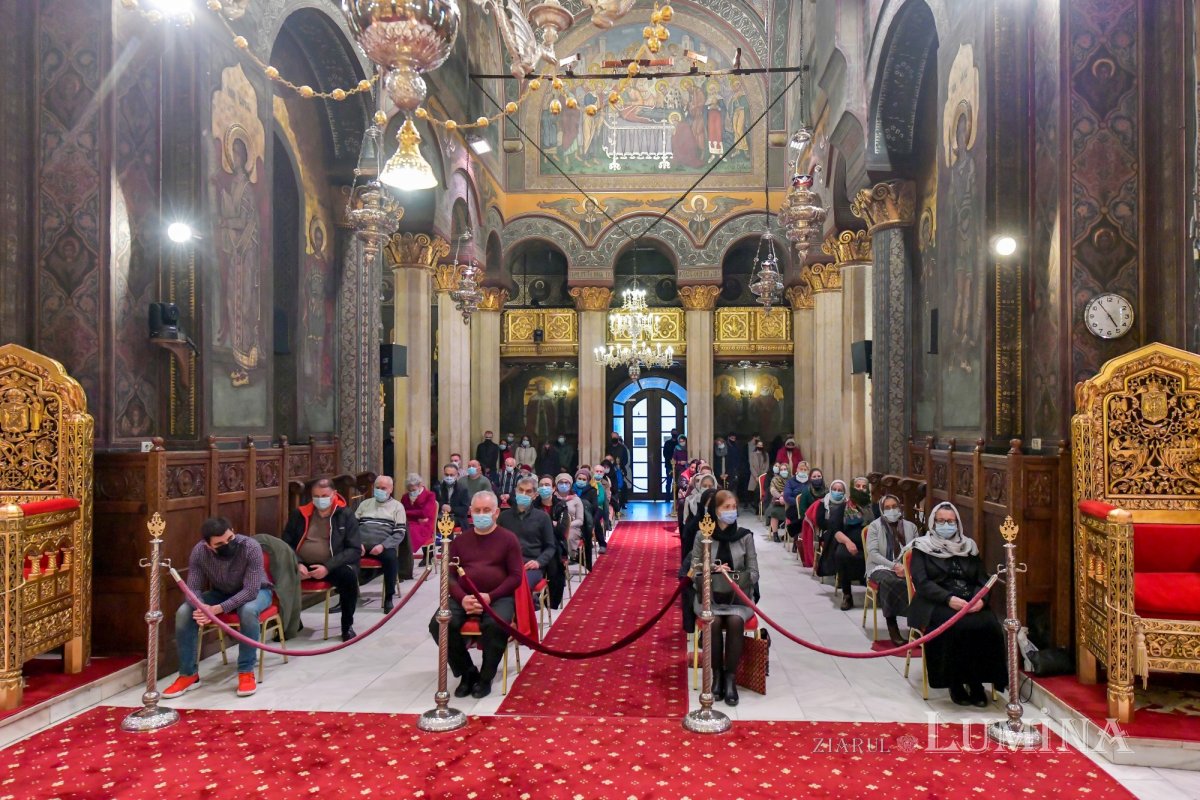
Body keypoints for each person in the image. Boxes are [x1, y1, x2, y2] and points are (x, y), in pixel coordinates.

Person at [907, 502, 1007, 706]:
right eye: (941, 521)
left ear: (958, 523)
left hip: (970, 600)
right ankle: (955, 682)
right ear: (933, 522)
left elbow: (982, 578)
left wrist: (980, 599)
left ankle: (977, 682)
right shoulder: (921, 547)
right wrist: (948, 599)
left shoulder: (968, 547)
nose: (946, 525)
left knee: (989, 625)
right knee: (955, 627)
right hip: (936, 600)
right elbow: (922, 582)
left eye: (951, 521)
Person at [427, 491, 524, 699]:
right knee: (438, 624)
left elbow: (516, 577)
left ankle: (486, 677)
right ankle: (467, 672)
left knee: (495, 624)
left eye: (486, 510)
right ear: (470, 512)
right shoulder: (460, 541)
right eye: (477, 510)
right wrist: (462, 598)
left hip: (497, 597)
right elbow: (449, 576)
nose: (482, 514)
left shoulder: (508, 539)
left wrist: (490, 596)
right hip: (464, 597)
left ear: (496, 512)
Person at [163, 517, 274, 699]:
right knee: (184, 612)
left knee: (247, 611)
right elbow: (193, 588)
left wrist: (217, 609)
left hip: (257, 591)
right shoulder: (199, 552)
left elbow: (250, 591)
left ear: (233, 531)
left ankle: (246, 671)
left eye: (230, 539)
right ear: (208, 545)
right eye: (220, 544)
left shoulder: (250, 546)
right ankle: (188, 674)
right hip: (221, 592)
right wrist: (201, 607)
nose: (227, 545)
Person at [687, 490, 758, 706]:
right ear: (715, 510)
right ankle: (716, 675)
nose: (731, 511)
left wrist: (736, 577)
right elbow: (694, 568)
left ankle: (730, 678)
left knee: (735, 621)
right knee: (714, 622)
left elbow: (754, 572)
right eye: (726, 507)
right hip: (710, 597)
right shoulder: (703, 535)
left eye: (734, 507)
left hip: (738, 597)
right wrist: (714, 569)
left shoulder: (745, 536)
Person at [283, 478, 362, 641]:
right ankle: (292, 623)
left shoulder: (345, 514)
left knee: (349, 577)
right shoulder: (300, 514)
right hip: (303, 564)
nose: (320, 500)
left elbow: (354, 549)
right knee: (277, 573)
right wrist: (297, 563)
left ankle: (347, 626)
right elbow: (286, 543)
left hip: (333, 564)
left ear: (334, 494)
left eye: (324, 496)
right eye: (316, 496)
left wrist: (327, 567)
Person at [864, 494, 919, 645]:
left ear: (900, 507)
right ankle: (892, 627)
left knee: (918, 582)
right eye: (887, 508)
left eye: (894, 506)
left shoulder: (911, 527)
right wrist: (894, 566)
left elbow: (917, 550)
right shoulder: (875, 526)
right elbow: (873, 553)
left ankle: (915, 625)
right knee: (890, 582)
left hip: (905, 566)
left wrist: (905, 567)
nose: (891, 510)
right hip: (881, 566)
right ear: (882, 510)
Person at [354, 475, 408, 612]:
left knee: (391, 559)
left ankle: (388, 597)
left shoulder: (397, 507)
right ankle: (345, 598)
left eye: (383, 488)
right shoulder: (365, 504)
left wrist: (383, 546)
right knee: (344, 557)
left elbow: (399, 533)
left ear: (390, 489)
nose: (380, 490)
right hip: (361, 545)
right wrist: (357, 542)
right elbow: (352, 527)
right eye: (377, 488)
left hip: (383, 545)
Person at [814, 479, 869, 611]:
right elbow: (836, 531)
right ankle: (847, 594)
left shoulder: (873, 508)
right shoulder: (843, 508)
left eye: (864, 486)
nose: (861, 489)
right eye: (858, 486)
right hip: (848, 542)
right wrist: (848, 542)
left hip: (869, 545)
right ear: (853, 488)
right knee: (841, 554)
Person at [497, 477, 556, 589]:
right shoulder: (504, 517)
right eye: (521, 490)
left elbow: (550, 547)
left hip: (531, 566)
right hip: (507, 563)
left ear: (535, 495)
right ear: (516, 491)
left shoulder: (543, 517)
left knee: (519, 584)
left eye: (528, 491)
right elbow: (496, 543)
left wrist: (538, 562)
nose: (523, 494)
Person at [538, 474, 572, 607]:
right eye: (541, 485)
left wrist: (545, 524)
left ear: (553, 488)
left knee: (553, 561)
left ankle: (552, 601)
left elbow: (561, 530)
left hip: (556, 543)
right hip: (537, 542)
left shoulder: (560, 505)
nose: (544, 488)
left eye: (547, 485)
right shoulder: (533, 505)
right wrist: (552, 523)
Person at [401, 473, 438, 568]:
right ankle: (402, 556)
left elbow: (425, 513)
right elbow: (401, 512)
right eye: (409, 490)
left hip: (426, 524)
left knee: (410, 530)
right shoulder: (405, 497)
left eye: (413, 490)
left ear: (420, 485)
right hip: (411, 522)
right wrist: (415, 515)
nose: (411, 492)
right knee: (401, 529)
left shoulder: (430, 495)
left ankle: (408, 556)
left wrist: (408, 513)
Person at [553, 471, 586, 567]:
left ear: (570, 485)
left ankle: (570, 555)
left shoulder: (576, 499)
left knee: (569, 534)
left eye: (566, 482)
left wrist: (566, 525)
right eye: (561, 482)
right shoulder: (552, 498)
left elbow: (580, 520)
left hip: (572, 526)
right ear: (556, 484)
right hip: (555, 525)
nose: (563, 485)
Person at [573, 467, 600, 569]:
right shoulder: (571, 491)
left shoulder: (592, 491)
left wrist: (592, 524)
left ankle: (583, 560)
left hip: (586, 522)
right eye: (579, 478)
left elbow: (595, 509)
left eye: (584, 479)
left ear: (588, 481)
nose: (581, 481)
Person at [436, 463, 471, 529]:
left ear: (457, 475)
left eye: (451, 475)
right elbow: (433, 504)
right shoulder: (438, 488)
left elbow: (465, 509)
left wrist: (451, 509)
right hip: (441, 515)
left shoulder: (463, 489)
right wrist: (442, 506)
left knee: (447, 523)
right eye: (446, 475)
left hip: (457, 517)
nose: (449, 477)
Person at [783, 461, 811, 542]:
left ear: (808, 471)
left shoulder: (810, 482)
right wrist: (799, 503)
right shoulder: (790, 482)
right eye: (801, 469)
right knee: (798, 517)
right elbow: (787, 496)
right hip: (793, 507)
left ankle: (807, 539)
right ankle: (797, 540)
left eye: (805, 470)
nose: (803, 471)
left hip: (808, 508)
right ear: (797, 470)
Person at [764, 463, 788, 539]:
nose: (783, 471)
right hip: (777, 502)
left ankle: (788, 534)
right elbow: (773, 490)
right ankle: (775, 534)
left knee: (793, 512)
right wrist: (780, 496)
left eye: (785, 469)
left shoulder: (791, 480)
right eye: (781, 470)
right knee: (774, 512)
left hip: (789, 502)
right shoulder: (775, 480)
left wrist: (786, 495)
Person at [747, 437, 768, 509]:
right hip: (754, 477)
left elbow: (767, 466)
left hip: (763, 476)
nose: (760, 446)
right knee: (754, 492)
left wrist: (761, 476)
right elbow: (751, 466)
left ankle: (761, 507)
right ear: (756, 445)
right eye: (759, 445)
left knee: (762, 492)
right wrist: (756, 476)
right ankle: (756, 507)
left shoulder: (766, 454)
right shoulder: (752, 454)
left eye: (761, 445)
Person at [662, 428, 679, 493]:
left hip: (678, 466)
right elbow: (665, 454)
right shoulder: (667, 443)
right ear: (671, 434)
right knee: (669, 482)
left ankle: (675, 496)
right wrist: (671, 460)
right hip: (669, 465)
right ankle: (668, 496)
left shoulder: (679, 443)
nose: (674, 434)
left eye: (675, 433)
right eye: (673, 433)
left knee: (677, 482)